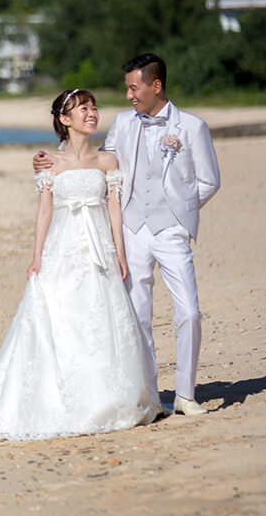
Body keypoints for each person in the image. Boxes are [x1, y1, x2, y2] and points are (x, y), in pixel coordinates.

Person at [0, 89, 161, 442]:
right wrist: (37, 256)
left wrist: (119, 251)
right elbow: (44, 210)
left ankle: (109, 398)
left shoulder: (107, 161)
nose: (92, 113)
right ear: (65, 120)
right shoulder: (49, 162)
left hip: (98, 244)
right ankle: (66, 399)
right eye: (83, 109)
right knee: (63, 316)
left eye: (93, 107)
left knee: (100, 318)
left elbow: (114, 207)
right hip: (63, 246)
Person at [33, 54, 220, 415]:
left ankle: (185, 393)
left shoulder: (192, 127)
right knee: (138, 316)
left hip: (171, 231)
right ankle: (152, 396)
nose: (129, 95)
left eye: (134, 88)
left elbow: (209, 181)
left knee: (190, 312)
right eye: (127, 89)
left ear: (156, 86)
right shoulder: (122, 123)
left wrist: (181, 211)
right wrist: (46, 162)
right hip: (131, 230)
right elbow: (96, 161)